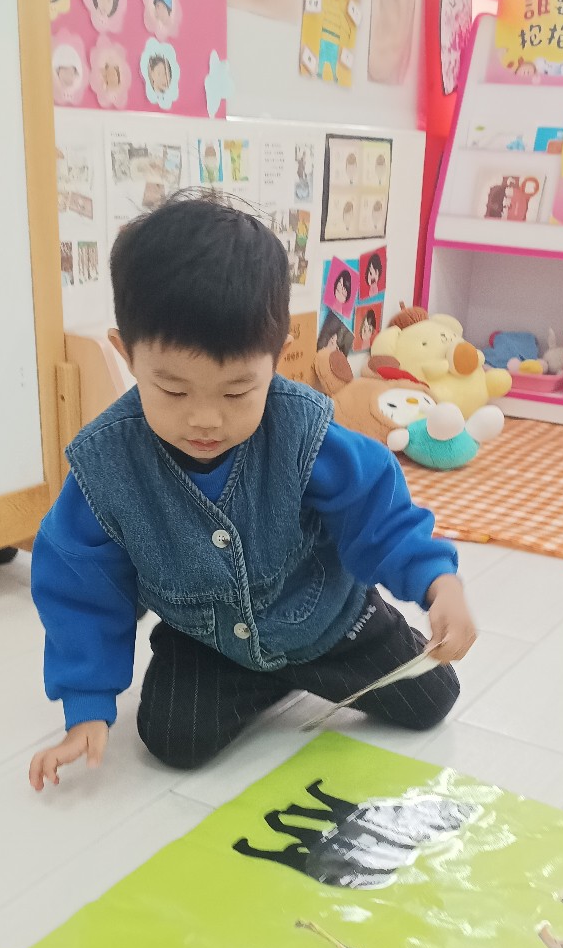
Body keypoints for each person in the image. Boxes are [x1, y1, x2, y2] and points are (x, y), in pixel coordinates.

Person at [29, 196, 475, 788]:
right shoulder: (106, 467)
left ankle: (316, 658)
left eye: (238, 391)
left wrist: (439, 583)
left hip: (330, 624)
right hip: (211, 643)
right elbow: (80, 587)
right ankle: (267, 679)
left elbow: (378, 512)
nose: (205, 419)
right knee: (171, 738)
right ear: (126, 353)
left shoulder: (304, 432)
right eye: (174, 391)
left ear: (277, 356)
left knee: (431, 698)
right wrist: (86, 706)